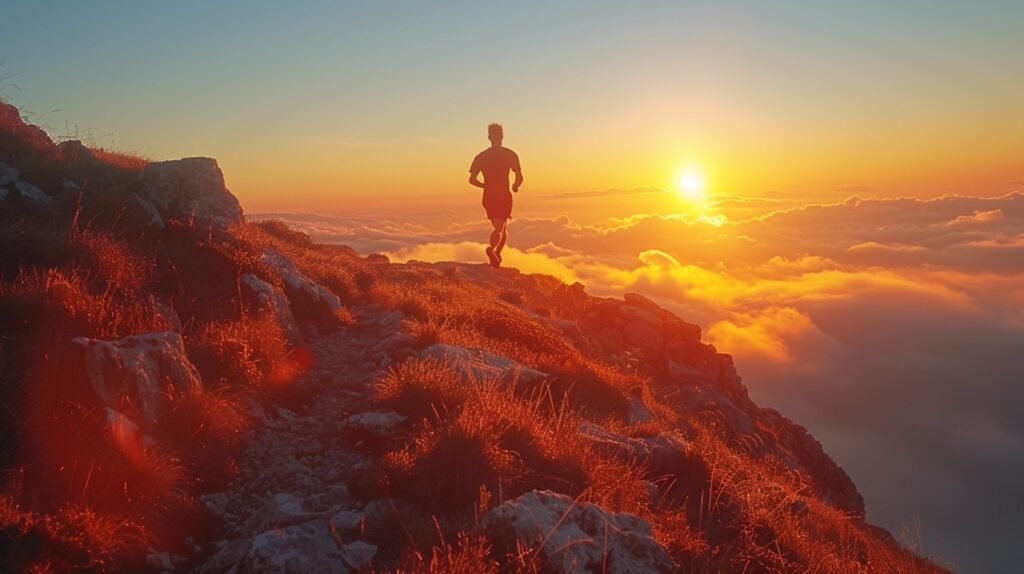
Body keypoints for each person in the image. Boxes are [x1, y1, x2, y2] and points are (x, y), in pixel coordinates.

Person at [469, 123, 522, 267]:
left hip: (488, 197)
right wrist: (515, 186)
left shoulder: (481, 156)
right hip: (504, 195)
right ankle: (491, 250)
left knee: (502, 227)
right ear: (502, 137)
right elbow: (519, 176)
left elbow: (472, 180)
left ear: (488, 137)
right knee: (499, 228)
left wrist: (486, 186)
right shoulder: (510, 154)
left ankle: (497, 255)